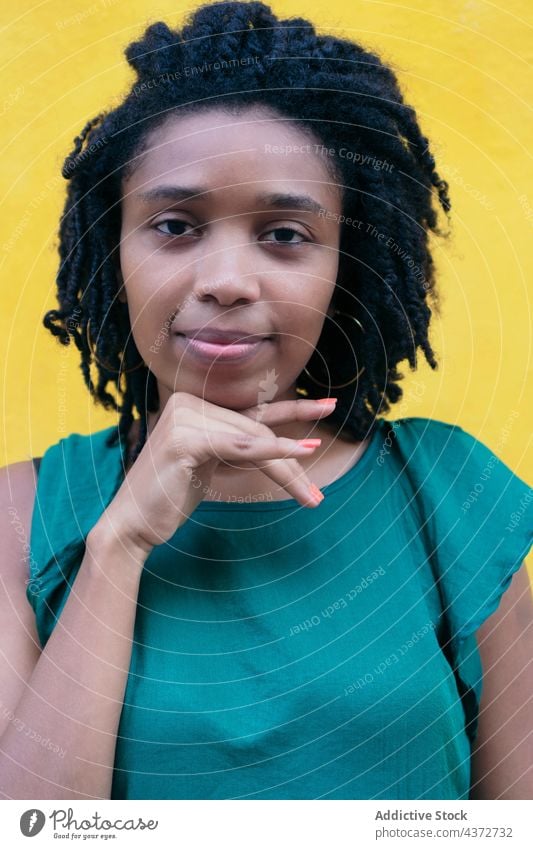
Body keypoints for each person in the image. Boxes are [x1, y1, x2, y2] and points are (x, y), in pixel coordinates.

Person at [1, 0, 531, 801]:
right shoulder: (21, 513)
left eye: (284, 234)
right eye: (175, 225)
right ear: (114, 251)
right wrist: (122, 543)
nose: (225, 280)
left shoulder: (452, 494)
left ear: (343, 267)